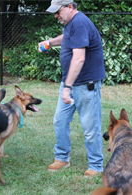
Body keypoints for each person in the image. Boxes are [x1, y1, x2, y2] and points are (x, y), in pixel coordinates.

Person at [38, 0, 106, 176]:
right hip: (70, 83)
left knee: (90, 128)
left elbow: (79, 58)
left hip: (85, 84)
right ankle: (62, 158)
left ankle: (96, 166)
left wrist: (67, 87)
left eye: (58, 11)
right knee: (59, 121)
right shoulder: (70, 23)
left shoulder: (80, 22)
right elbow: (68, 39)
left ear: (70, 6)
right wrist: (50, 42)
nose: (55, 15)